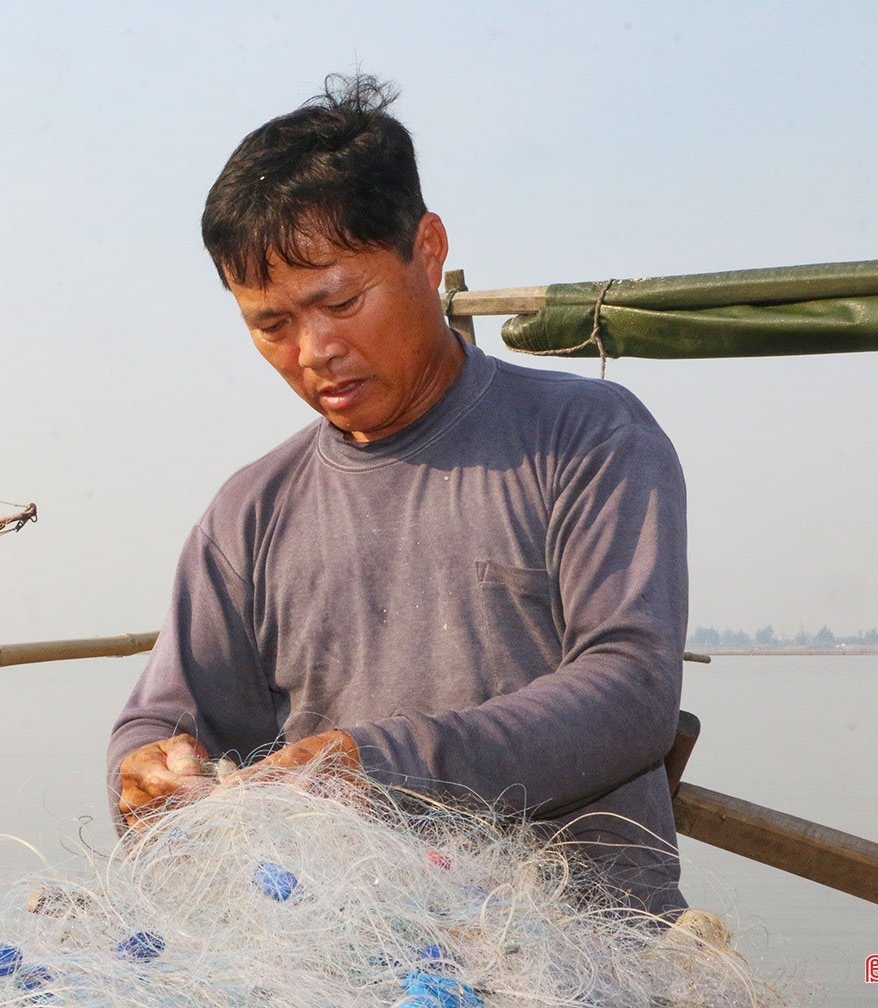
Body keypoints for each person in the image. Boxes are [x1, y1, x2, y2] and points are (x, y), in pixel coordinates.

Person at [106, 74, 689, 916]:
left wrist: (375, 769)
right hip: (339, 947)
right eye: (270, 325)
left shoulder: (587, 438)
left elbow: (632, 693)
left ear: (428, 249)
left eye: (341, 302)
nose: (314, 350)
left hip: (583, 943)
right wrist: (148, 768)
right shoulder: (250, 513)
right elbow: (165, 719)